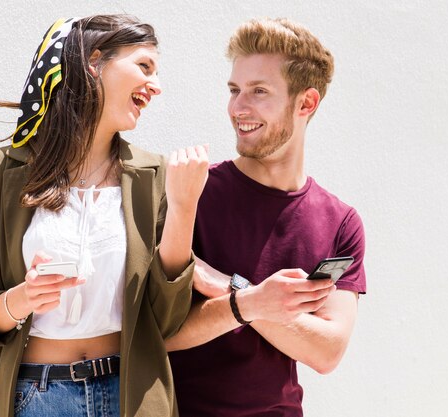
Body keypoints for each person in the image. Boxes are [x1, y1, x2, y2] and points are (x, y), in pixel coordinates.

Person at [0, 15, 208, 417]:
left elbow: (166, 319)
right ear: (94, 62)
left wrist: (184, 206)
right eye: (144, 66)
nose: (156, 86)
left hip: (129, 395)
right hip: (35, 397)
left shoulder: (154, 175)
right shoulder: (3, 172)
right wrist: (22, 299)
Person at [166, 18, 367, 416]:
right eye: (235, 90)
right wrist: (258, 303)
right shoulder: (191, 192)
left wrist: (231, 288)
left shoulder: (341, 222)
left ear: (306, 103)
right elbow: (156, 335)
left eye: (259, 91)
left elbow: (327, 351)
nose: (239, 108)